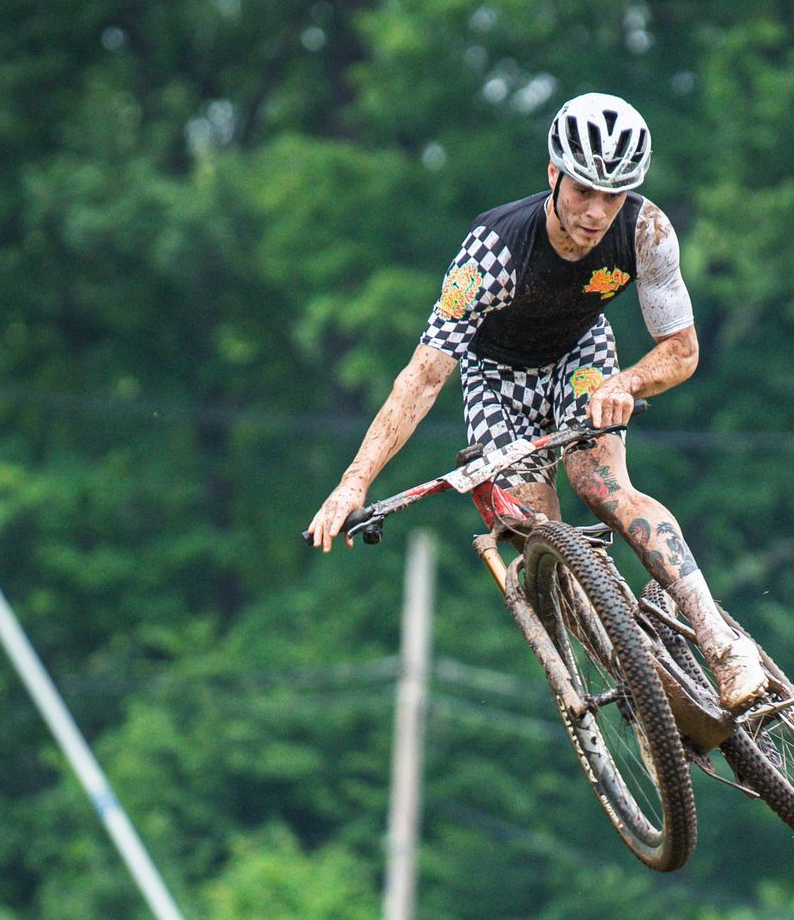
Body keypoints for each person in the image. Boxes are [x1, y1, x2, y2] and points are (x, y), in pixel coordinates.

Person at [305, 91, 768, 709]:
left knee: (602, 487)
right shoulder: (492, 252)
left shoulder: (646, 231)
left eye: (614, 195)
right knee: (536, 532)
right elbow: (422, 377)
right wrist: (353, 483)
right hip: (496, 377)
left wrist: (625, 383)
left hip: (583, 359)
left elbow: (681, 352)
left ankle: (722, 647)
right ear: (553, 174)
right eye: (583, 191)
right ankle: (630, 671)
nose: (597, 212)